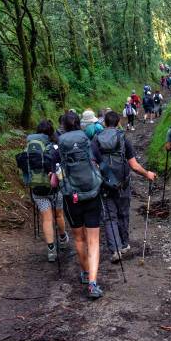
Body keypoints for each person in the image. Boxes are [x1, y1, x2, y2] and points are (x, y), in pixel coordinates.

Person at [93, 111, 156, 263]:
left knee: (109, 217)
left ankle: (115, 250)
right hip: (123, 183)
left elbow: (93, 164)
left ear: (105, 123)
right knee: (123, 213)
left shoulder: (95, 139)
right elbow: (134, 165)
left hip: (105, 184)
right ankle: (124, 244)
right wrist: (147, 173)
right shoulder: (123, 138)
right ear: (118, 122)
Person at [58, 112, 105, 299]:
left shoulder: (60, 144)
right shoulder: (88, 139)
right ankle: (93, 284)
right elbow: (98, 162)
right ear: (79, 124)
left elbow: (56, 172)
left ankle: (85, 273)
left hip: (72, 196)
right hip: (92, 192)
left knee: (79, 239)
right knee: (94, 241)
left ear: (63, 126)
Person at [24, 120, 69, 262]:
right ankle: (62, 238)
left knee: (46, 218)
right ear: (51, 132)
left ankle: (51, 250)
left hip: (37, 189)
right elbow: (60, 168)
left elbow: (25, 167)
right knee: (59, 215)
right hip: (54, 188)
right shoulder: (54, 147)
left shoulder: (29, 148)